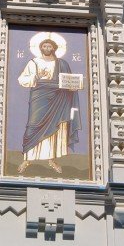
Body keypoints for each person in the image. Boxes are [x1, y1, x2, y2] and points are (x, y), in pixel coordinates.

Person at [17, 32, 81, 174]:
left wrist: (73, 86)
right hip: (39, 97)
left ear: (54, 48)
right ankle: (27, 158)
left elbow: (69, 81)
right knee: (33, 126)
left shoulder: (62, 64)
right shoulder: (34, 62)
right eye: (44, 46)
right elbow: (22, 79)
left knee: (56, 128)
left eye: (49, 46)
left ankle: (52, 159)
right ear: (40, 48)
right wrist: (36, 77)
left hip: (59, 98)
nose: (47, 48)